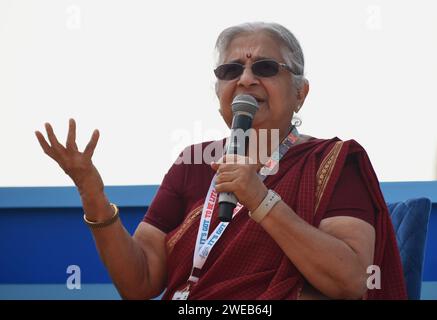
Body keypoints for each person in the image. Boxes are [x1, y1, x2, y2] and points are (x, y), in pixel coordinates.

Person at [35, 22, 407, 300]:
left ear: (301, 93)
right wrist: (92, 194)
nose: (245, 79)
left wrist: (261, 200)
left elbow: (351, 280)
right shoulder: (193, 163)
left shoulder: (330, 162)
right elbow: (140, 281)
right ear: (219, 93)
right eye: (230, 71)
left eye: (264, 68)